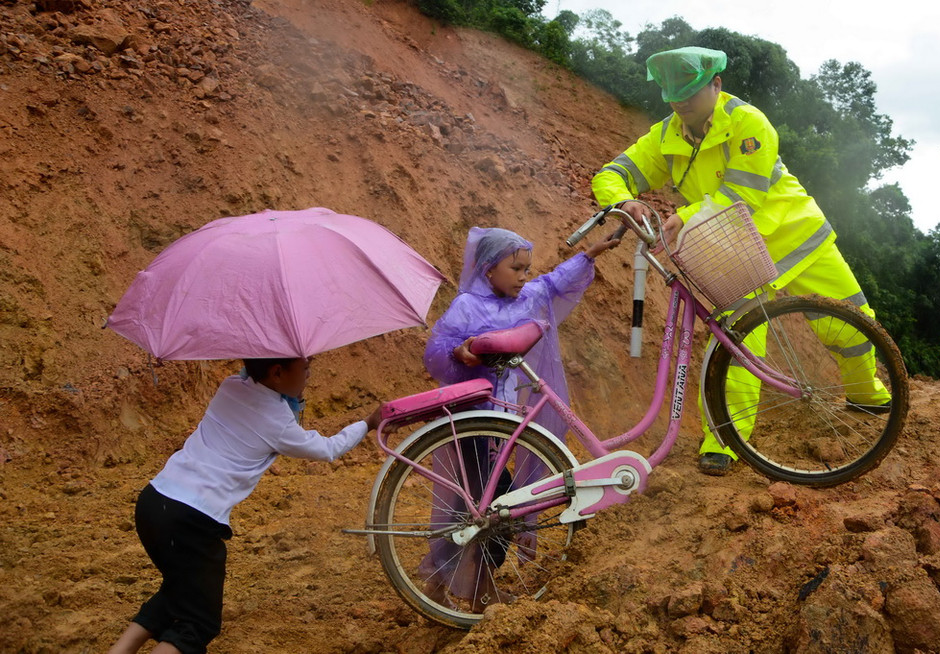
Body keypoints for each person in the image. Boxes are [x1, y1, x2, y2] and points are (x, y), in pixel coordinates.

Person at [591, 46, 889, 476]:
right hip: (734, 247)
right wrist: (622, 200)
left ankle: (865, 391)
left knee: (851, 322)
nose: (681, 103)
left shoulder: (750, 124)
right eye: (673, 95)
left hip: (797, 235)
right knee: (736, 342)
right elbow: (610, 173)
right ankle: (725, 440)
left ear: (717, 84)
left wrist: (685, 215)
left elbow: (743, 196)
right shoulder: (664, 137)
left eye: (690, 93)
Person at [108, 357, 383, 654]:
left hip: (154, 502)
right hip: (191, 521)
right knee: (198, 622)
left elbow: (256, 392)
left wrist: (290, 397)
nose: (309, 374)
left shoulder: (230, 386)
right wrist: (368, 423)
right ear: (277, 372)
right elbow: (327, 449)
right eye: (304, 368)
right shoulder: (277, 422)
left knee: (180, 590)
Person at [419, 226, 619, 611]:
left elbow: (553, 283)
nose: (524, 276)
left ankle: (435, 576)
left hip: (502, 422)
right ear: (489, 270)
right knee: (492, 507)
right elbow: (437, 350)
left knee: (484, 503)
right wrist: (460, 353)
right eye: (516, 269)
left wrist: (589, 255)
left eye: (527, 268)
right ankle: (478, 591)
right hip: (473, 420)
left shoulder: (525, 299)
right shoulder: (467, 305)